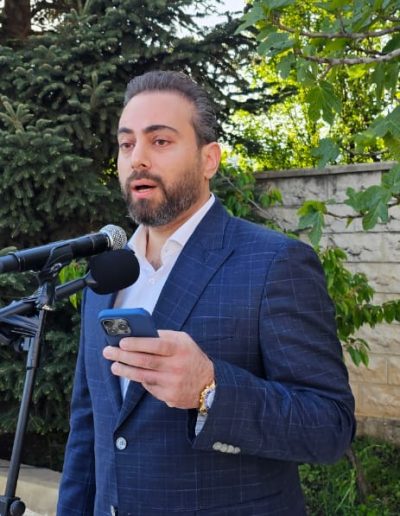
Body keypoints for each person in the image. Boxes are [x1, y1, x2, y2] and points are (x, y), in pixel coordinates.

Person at [57, 70, 355, 516]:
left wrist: (210, 390)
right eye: (126, 143)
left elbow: (330, 425)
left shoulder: (274, 263)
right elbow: (89, 427)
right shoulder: (106, 274)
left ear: (208, 160)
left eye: (160, 141)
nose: (138, 158)